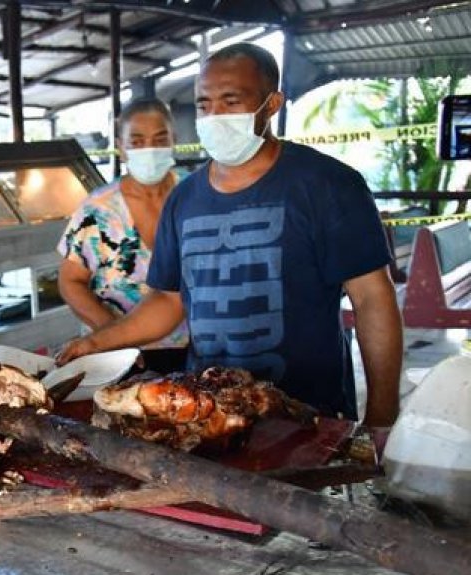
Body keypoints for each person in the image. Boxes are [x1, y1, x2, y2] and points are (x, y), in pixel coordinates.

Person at [58, 43, 402, 426]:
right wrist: (96, 342)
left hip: (308, 414)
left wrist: (382, 416)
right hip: (210, 412)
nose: (214, 115)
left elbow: (373, 298)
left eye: (231, 101)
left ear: (271, 105)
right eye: (204, 104)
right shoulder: (185, 199)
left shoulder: (329, 185)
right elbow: (168, 301)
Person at [57, 98, 188, 373]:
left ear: (174, 139)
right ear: (121, 147)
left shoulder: (195, 194)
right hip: (117, 355)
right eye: (137, 141)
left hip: (194, 348)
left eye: (159, 139)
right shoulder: (99, 210)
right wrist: (112, 336)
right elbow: (70, 281)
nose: (149, 150)